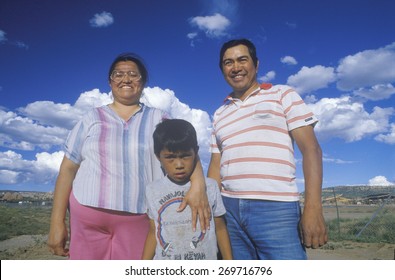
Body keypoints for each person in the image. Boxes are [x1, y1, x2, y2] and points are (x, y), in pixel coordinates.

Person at [47, 53, 210, 260]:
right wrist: (56, 223)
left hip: (139, 216)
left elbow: (185, 150)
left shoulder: (158, 118)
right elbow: (68, 170)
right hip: (87, 216)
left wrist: (198, 185)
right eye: (118, 74)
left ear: (142, 82)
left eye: (133, 74)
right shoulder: (91, 118)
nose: (126, 79)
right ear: (110, 81)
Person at [207, 39, 328, 260]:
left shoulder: (283, 94)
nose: (235, 67)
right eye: (228, 62)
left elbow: (311, 150)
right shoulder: (219, 114)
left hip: (276, 209)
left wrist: (313, 208)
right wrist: (211, 212)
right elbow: (216, 166)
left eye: (242, 59)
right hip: (229, 211)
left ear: (256, 64)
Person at [142, 119, 232, 260]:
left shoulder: (211, 187)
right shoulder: (152, 190)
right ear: (158, 157)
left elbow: (220, 228)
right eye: (170, 157)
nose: (179, 164)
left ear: (195, 152)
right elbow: (154, 230)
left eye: (185, 156)